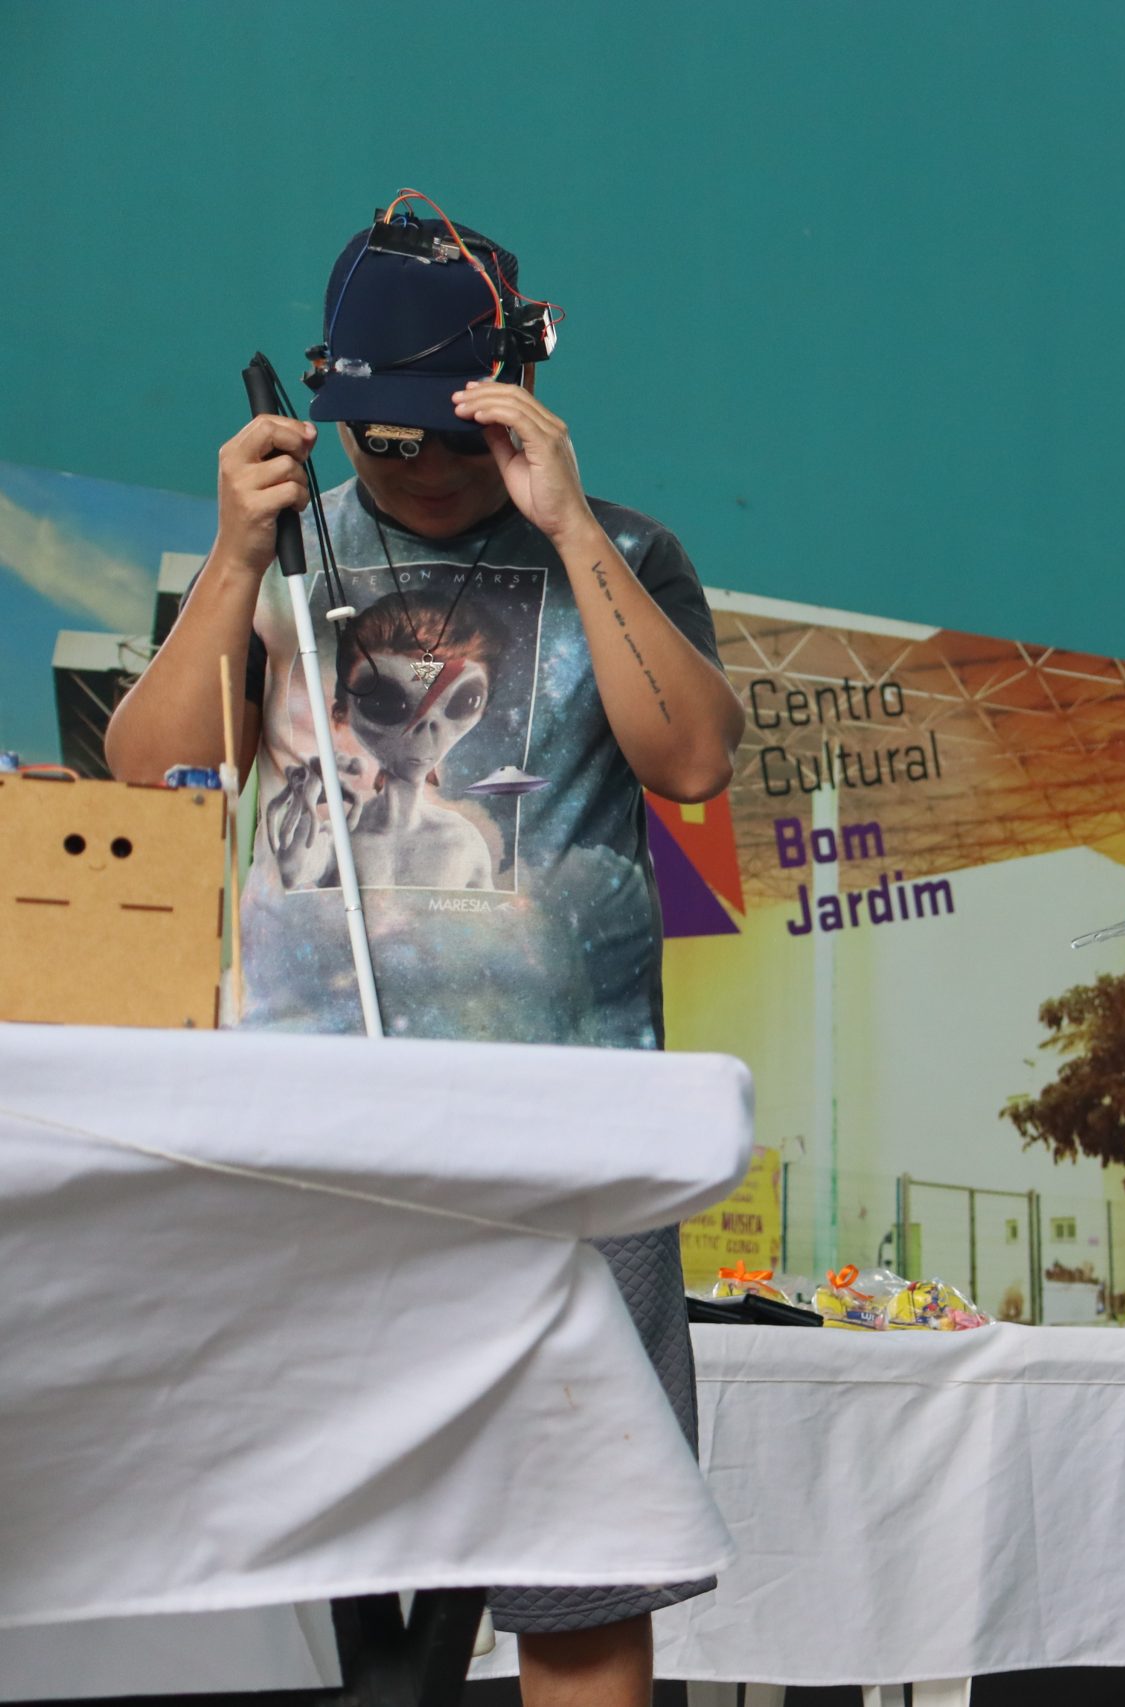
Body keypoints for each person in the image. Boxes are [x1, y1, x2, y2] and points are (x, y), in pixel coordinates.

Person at [105, 198, 745, 1707]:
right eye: (383, 439)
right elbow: (150, 771)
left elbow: (698, 761)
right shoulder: (282, 554)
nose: (420, 470)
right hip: (318, 1131)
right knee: (325, 1568)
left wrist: (573, 519)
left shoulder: (628, 546)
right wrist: (229, 557)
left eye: (448, 435)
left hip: (566, 1133)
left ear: (513, 392)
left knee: (578, 1570)